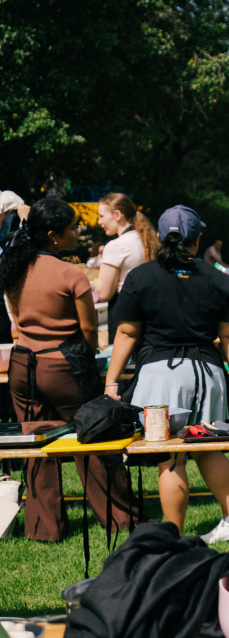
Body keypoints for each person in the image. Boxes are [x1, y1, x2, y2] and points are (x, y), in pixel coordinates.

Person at [105, 206, 229, 543]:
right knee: (208, 447)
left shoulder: (141, 277)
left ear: (160, 237)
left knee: (171, 457)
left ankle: (175, 536)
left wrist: (112, 381)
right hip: (208, 372)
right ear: (198, 240)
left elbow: (126, 333)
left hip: (161, 374)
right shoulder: (219, 278)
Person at [0, 199, 139, 541]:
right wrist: (87, 357)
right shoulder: (69, 273)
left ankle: (44, 528)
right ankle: (119, 517)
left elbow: (17, 319)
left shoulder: (14, 267)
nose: (78, 231)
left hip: (22, 365)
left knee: (35, 447)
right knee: (93, 438)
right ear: (53, 235)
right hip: (64, 365)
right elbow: (89, 329)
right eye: (72, 227)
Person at [96, 192, 159, 344]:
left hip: (124, 316)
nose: (99, 221)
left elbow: (104, 293)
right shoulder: (148, 241)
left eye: (102, 216)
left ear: (117, 214)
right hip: (151, 312)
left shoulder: (115, 246)